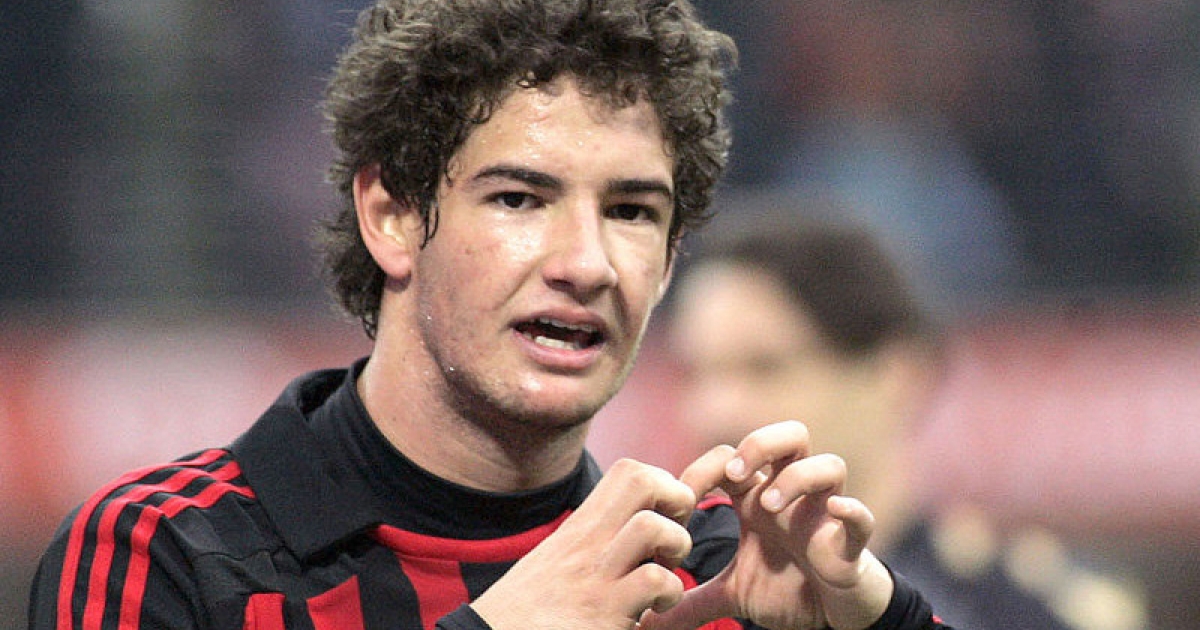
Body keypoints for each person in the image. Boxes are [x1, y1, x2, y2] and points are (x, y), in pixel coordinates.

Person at [29, 2, 952, 629]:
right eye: (519, 199)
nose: (587, 263)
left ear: (671, 258)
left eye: (632, 211)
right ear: (392, 216)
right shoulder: (163, 555)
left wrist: (875, 619)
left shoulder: (711, 577)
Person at [665, 196, 1075, 629]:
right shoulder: (663, 596)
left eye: (766, 368)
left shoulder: (1013, 608)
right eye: (694, 373)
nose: (716, 412)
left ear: (897, 374)